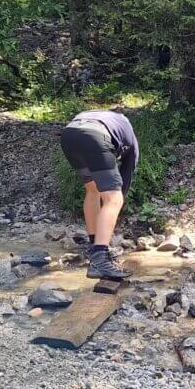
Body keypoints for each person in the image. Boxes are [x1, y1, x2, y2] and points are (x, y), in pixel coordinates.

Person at [59, 110, 139, 282]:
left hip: (69, 135)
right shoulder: (129, 136)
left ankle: (95, 245)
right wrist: (118, 202)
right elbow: (127, 172)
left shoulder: (109, 119)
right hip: (95, 136)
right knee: (114, 198)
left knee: (92, 189)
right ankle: (99, 259)